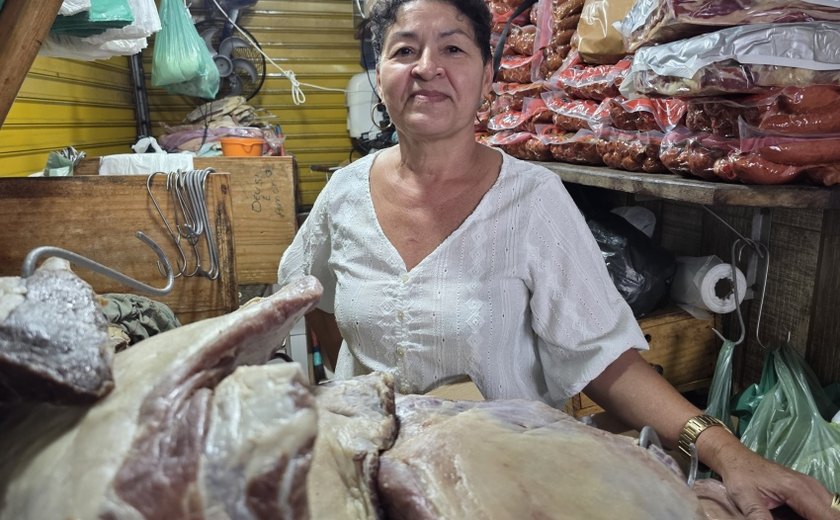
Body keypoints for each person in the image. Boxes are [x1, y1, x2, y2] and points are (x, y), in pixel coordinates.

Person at [278, 0, 839, 517]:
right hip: (367, 485)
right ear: (380, 78)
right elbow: (315, 301)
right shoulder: (344, 195)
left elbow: (603, 359)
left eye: (453, 47)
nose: (428, 67)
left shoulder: (533, 200)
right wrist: (352, 403)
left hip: (498, 487)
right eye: (404, 50)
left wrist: (725, 450)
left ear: (487, 77)